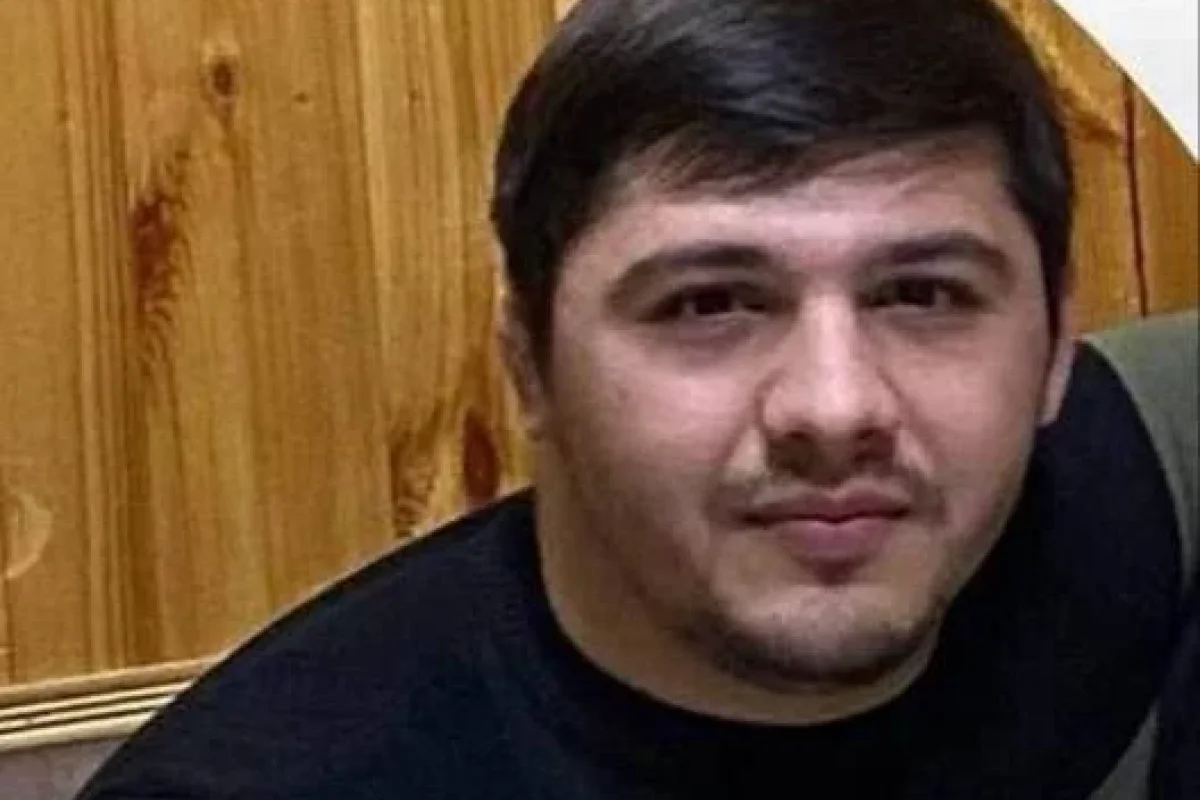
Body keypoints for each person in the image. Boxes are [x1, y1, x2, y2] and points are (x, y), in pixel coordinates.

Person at [78, 0, 1198, 797]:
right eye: (709, 303)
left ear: (1054, 344)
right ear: (529, 363)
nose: (835, 406)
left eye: (923, 293)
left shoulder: (1124, 506)